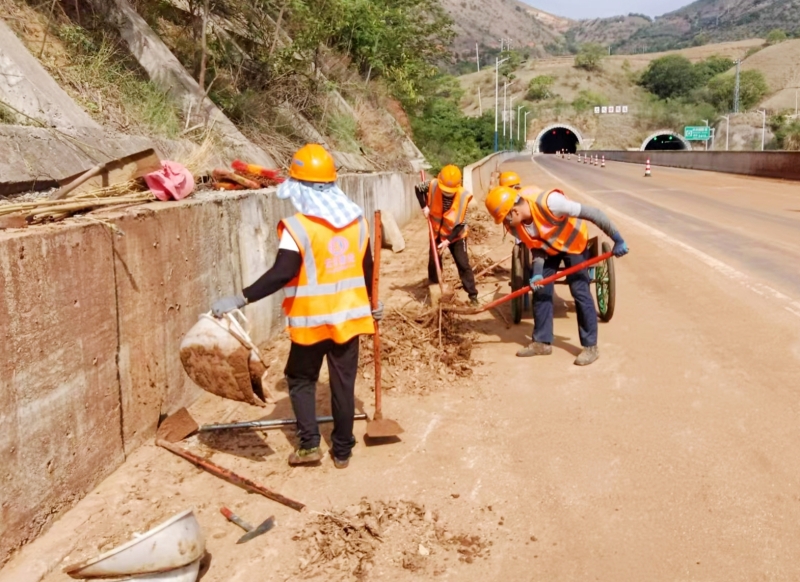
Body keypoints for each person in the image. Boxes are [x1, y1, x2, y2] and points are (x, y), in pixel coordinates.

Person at [211, 144, 383, 469]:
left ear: (301, 188)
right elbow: (367, 269)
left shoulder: (299, 227)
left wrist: (241, 298)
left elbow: (282, 273)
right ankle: (343, 450)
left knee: (300, 378)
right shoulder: (357, 221)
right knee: (343, 383)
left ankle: (309, 446)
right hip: (350, 319)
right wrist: (374, 304)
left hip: (312, 323)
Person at [484, 184, 629, 366]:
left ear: (514, 211)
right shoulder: (519, 225)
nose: (505, 226)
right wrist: (537, 274)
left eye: (505, 220)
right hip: (549, 248)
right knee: (541, 289)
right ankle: (542, 342)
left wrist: (618, 239)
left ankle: (590, 346)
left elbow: (595, 213)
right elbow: (536, 248)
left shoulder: (551, 203)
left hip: (573, 243)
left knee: (579, 289)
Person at [414, 165, 479, 305]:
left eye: (450, 192)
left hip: (456, 235)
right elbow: (418, 189)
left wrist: (448, 241)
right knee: (434, 260)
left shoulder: (463, 197)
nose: (447, 194)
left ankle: (473, 296)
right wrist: (424, 207)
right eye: (445, 191)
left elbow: (461, 223)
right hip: (436, 231)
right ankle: (435, 287)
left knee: (463, 264)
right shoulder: (433, 184)